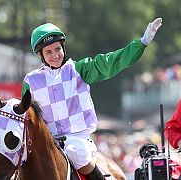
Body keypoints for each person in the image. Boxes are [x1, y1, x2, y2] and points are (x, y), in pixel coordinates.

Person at [21, 18, 162, 179]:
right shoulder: (30, 81)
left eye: (57, 49)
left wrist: (142, 43)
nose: (55, 55)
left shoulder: (79, 69)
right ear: (40, 55)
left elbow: (112, 62)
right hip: (46, 142)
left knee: (76, 154)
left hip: (77, 140)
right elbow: (25, 116)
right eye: (48, 52)